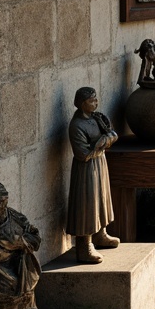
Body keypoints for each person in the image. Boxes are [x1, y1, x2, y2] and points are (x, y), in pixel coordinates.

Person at [66, 86, 121, 264]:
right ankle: (84, 246)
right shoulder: (76, 125)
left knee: (102, 198)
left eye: (96, 99)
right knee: (87, 203)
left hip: (100, 163)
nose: (95, 103)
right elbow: (82, 153)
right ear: (82, 104)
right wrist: (104, 141)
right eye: (91, 101)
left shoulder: (97, 118)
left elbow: (111, 133)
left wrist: (105, 140)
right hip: (85, 169)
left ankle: (100, 234)